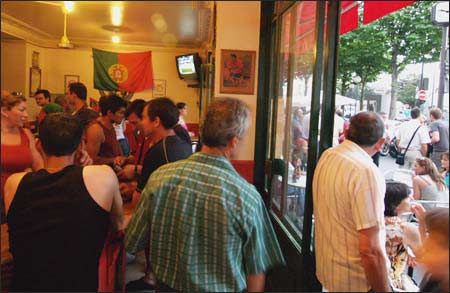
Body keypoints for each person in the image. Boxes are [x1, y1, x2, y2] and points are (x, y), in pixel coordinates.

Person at [125, 97, 285, 292]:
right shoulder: (246, 197)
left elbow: (133, 239)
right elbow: (256, 269)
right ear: (234, 141)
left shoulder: (160, 178)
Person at [3, 113, 124, 292]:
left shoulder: (14, 183)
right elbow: (118, 224)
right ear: (81, 146)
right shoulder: (103, 175)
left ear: (40, 146)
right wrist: (84, 168)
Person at [313, 112, 390, 292]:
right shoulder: (365, 172)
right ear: (381, 143)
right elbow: (369, 249)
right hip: (356, 282)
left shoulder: (328, 155)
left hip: (330, 272)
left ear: (347, 133)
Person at [123, 97, 192, 291]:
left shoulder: (157, 151)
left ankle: (151, 278)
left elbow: (140, 198)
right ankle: (151, 276)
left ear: (156, 121)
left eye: (144, 118)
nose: (141, 123)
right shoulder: (182, 142)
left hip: (164, 224)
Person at [1, 91, 44, 222]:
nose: (26, 115)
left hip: (21, 197)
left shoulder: (26, 133)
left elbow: (38, 165)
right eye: (21, 110)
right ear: (4, 111)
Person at [384, 181, 418, 291]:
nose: (412, 199)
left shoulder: (372, 223)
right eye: (408, 197)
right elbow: (425, 255)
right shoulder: (405, 228)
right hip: (392, 283)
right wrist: (423, 220)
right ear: (396, 203)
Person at [85, 94, 128, 166]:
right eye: (121, 112)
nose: (123, 116)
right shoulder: (96, 129)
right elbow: (91, 159)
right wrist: (113, 160)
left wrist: (123, 158)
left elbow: (116, 151)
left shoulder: (110, 126)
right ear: (109, 113)